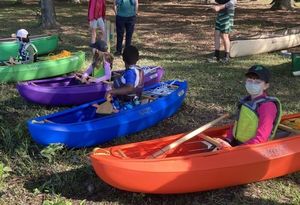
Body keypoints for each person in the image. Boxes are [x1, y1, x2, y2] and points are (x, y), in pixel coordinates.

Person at [216, 65, 282, 148]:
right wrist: (227, 140)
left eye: (257, 82)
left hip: (253, 148)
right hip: (240, 144)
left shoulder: (267, 106)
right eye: (249, 81)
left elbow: (261, 138)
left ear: (266, 86)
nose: (252, 84)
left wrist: (237, 150)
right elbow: (237, 125)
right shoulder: (246, 101)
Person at [94, 45, 144, 112]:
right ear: (138, 58)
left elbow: (129, 88)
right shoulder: (140, 70)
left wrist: (111, 91)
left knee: (95, 106)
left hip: (127, 104)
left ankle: (114, 111)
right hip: (136, 101)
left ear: (123, 59)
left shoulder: (130, 73)